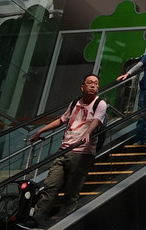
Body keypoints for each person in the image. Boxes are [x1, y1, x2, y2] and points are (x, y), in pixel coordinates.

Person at [21, 74, 107, 227]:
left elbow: (96, 121)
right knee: (50, 185)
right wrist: (40, 131)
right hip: (63, 150)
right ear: (82, 87)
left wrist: (87, 133)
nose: (93, 85)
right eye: (90, 83)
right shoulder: (75, 103)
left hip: (82, 152)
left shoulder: (100, 104)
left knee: (72, 191)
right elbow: (62, 120)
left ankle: (64, 223)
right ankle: (36, 220)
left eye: (96, 83)